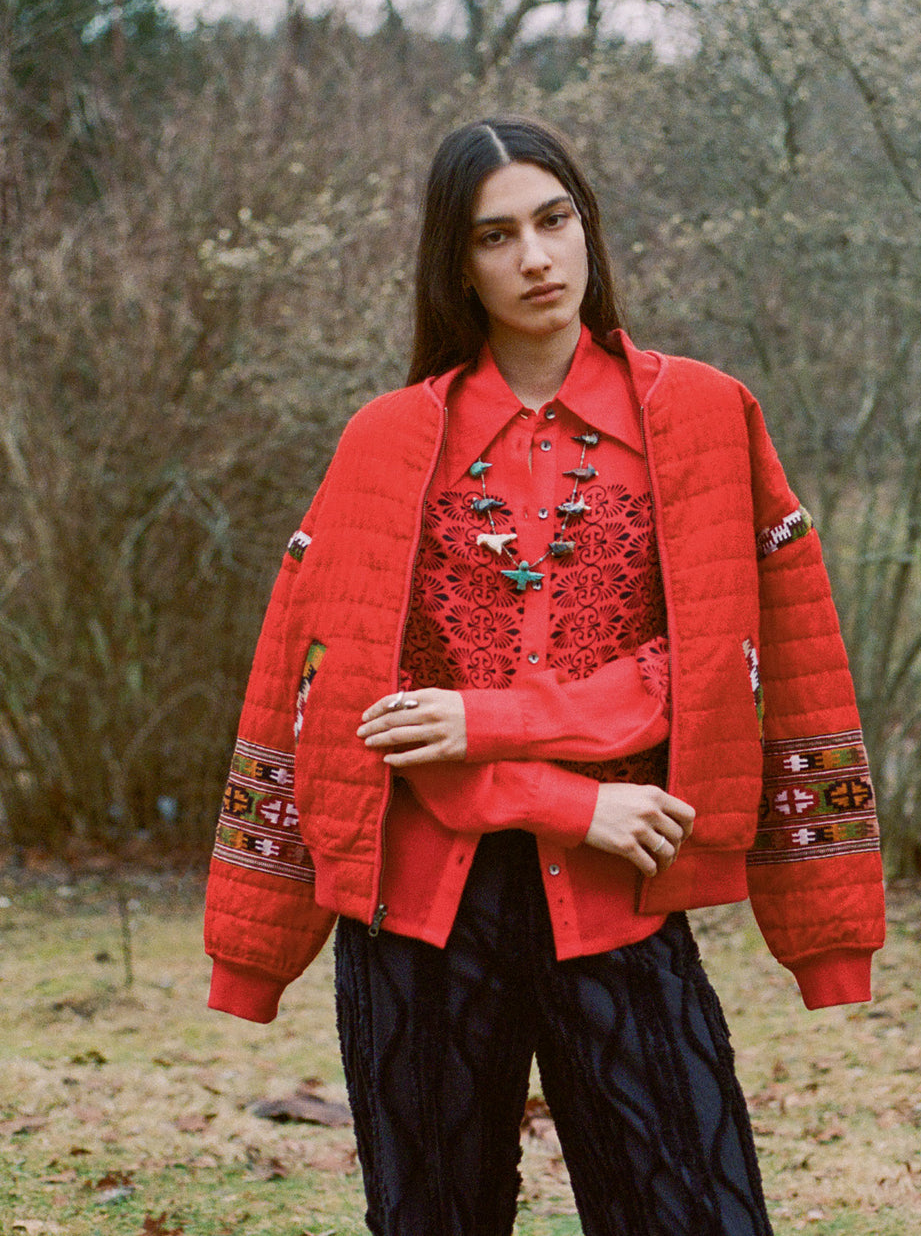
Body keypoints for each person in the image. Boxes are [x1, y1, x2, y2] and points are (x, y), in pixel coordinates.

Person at [204, 115, 886, 1236]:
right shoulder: (383, 443)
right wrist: (568, 797)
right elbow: (344, 705)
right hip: (418, 924)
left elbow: (743, 660)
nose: (535, 257)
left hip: (624, 895)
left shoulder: (707, 416)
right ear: (454, 262)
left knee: (700, 1214)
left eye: (555, 220)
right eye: (496, 235)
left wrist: (826, 926)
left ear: (588, 229)